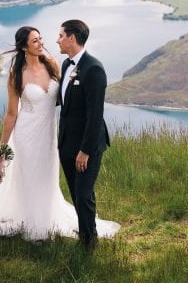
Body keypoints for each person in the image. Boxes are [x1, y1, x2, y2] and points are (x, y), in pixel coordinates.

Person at [0, 26, 119, 242]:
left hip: (49, 136)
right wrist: (2, 146)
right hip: (26, 135)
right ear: (24, 47)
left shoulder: (53, 64)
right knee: (29, 178)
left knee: (46, 177)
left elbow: (63, 97)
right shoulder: (16, 75)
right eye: (35, 41)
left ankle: (48, 216)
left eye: (40, 38)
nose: (41, 43)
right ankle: (31, 221)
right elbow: (11, 114)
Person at [57, 19, 112, 249]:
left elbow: (95, 115)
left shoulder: (94, 69)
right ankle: (85, 235)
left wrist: (85, 151)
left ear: (71, 38)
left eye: (61, 36)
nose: (57, 40)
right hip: (66, 143)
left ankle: (89, 244)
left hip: (86, 146)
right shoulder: (65, 65)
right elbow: (64, 102)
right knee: (75, 193)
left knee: (83, 194)